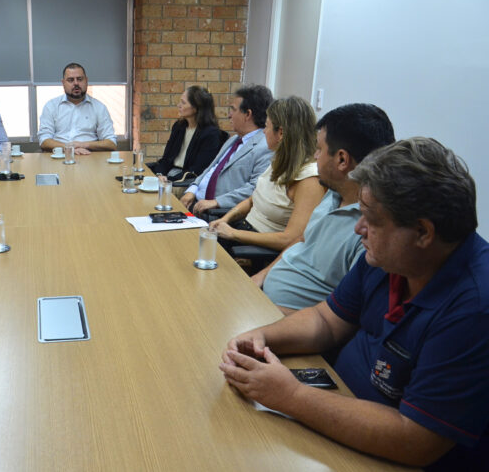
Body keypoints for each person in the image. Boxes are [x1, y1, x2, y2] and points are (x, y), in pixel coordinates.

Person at [220, 138, 488, 470]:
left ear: (422, 232)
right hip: (336, 415)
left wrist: (290, 396)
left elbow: (417, 440)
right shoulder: (389, 259)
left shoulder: (474, 308)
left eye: (370, 218)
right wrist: (260, 336)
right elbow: (326, 320)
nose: (358, 229)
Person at [253, 104, 395, 314]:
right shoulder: (332, 192)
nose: (315, 156)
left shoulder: (369, 231)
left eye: (319, 149)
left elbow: (339, 319)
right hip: (263, 299)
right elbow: (301, 241)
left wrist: (264, 313)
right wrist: (261, 276)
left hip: (285, 323)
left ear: (341, 160)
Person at [209, 96, 325, 252]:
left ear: (281, 133)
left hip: (254, 247)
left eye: (266, 126)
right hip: (242, 231)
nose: (264, 131)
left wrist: (233, 233)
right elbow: (255, 198)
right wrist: (226, 218)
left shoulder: (309, 180)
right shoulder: (280, 159)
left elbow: (290, 239)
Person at [179, 85, 274, 217]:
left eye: (233, 110)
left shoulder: (265, 147)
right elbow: (210, 169)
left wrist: (217, 202)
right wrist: (192, 189)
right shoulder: (234, 139)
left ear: (248, 114)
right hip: (195, 204)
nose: (229, 115)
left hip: (217, 213)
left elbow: (255, 189)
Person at [146, 86, 227, 181]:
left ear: (196, 107)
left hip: (186, 180)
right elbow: (166, 159)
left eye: (183, 103)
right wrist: (160, 174)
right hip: (169, 174)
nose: (178, 105)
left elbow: (198, 170)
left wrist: (168, 179)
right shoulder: (179, 127)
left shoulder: (210, 134)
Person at [37, 63, 117, 154]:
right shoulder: (51, 106)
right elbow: (44, 140)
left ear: (86, 81)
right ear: (63, 83)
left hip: (90, 156)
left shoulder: (99, 107)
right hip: (59, 155)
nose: (76, 83)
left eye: (80, 79)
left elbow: (111, 143)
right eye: (70, 80)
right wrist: (69, 148)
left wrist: (83, 145)